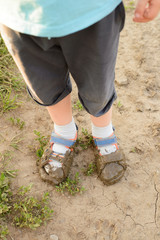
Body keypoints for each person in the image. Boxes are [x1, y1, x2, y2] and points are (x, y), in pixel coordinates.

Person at [0, 0, 159, 185]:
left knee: (98, 82)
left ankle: (103, 132)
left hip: (92, 10)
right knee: (44, 84)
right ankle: (64, 131)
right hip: (18, 14)